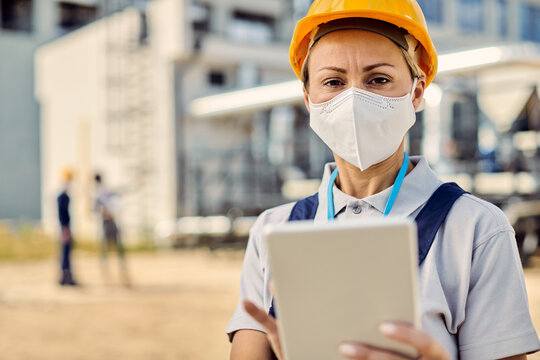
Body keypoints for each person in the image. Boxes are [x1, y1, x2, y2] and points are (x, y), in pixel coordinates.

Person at [227, 1, 540, 359]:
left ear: (417, 92)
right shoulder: (273, 232)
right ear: (309, 99)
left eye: (378, 79)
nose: (354, 98)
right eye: (333, 81)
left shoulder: (477, 230)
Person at [94, 173, 129, 285]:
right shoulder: (107, 192)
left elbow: (95, 210)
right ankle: (118, 275)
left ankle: (112, 276)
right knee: (116, 250)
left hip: (108, 223)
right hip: (110, 222)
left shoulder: (100, 193)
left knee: (109, 250)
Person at [57, 167, 77, 286]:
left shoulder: (63, 195)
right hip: (65, 227)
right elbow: (62, 214)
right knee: (65, 253)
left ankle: (65, 277)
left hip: (65, 226)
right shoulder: (63, 196)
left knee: (66, 252)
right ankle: (65, 278)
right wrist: (65, 228)